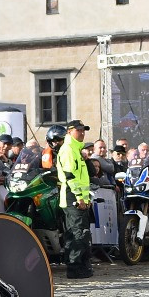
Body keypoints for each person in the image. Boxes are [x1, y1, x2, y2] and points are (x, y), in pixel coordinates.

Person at [57, 119, 93, 278]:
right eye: (79, 130)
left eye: (83, 130)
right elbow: (70, 176)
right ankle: (75, 268)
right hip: (73, 197)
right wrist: (79, 198)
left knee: (80, 233)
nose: (82, 133)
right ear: (69, 131)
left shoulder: (76, 149)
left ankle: (82, 266)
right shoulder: (68, 149)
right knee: (78, 234)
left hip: (79, 198)